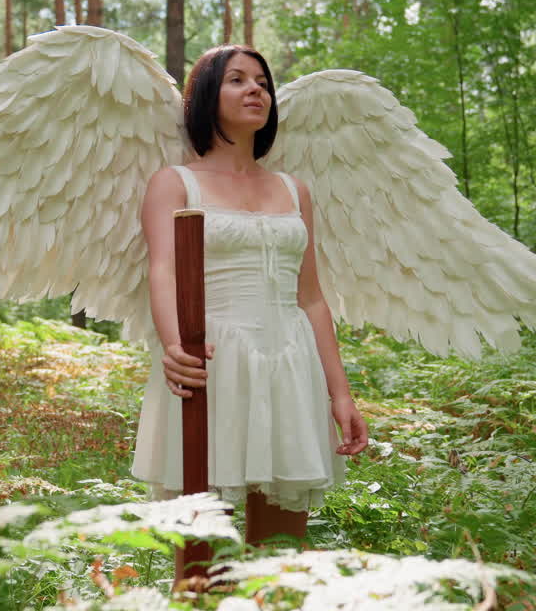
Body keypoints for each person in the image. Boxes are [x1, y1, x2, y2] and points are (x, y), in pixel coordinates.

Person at [132, 45, 369, 547]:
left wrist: (341, 394)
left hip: (289, 361)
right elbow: (162, 271)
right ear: (204, 99)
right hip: (210, 361)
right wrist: (175, 347)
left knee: (282, 554)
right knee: (202, 559)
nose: (256, 89)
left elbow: (312, 298)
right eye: (237, 79)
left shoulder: (294, 190)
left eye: (262, 81)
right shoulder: (174, 183)